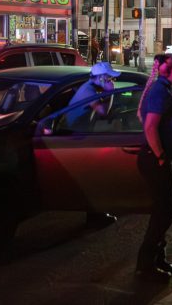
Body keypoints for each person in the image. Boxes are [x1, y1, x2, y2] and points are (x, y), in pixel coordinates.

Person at [135, 53, 172, 279]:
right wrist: (161, 157)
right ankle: (146, 266)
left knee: (163, 212)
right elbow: (149, 127)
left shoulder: (164, 89)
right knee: (163, 213)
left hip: (161, 159)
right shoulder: (159, 91)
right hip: (155, 161)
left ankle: (159, 260)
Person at [65, 62, 120, 228]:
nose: (111, 80)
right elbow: (104, 113)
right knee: (95, 174)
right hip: (76, 138)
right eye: (109, 77)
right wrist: (111, 93)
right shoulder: (88, 91)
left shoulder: (89, 87)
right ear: (101, 78)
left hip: (79, 133)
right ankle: (95, 215)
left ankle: (95, 212)